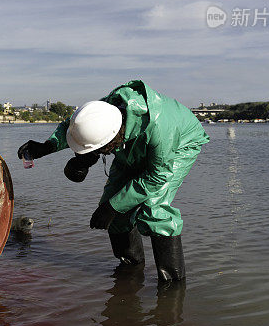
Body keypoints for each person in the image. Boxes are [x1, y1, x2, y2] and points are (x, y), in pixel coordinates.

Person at [17, 80, 209, 283]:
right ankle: (131, 271)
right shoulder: (105, 110)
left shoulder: (160, 130)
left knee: (154, 209)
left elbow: (156, 177)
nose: (97, 155)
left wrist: (114, 206)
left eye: (99, 150)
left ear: (112, 140)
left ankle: (172, 286)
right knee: (112, 205)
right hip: (134, 141)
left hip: (179, 143)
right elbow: (72, 126)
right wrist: (48, 146)